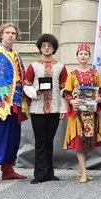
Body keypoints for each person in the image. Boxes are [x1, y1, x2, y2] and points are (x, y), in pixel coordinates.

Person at [0, 23, 31, 188]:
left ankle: (8, 169)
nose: (10, 35)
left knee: (12, 137)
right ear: (1, 34)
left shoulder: (15, 54)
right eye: (7, 32)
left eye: (13, 33)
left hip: (15, 102)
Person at [24, 33, 67, 184]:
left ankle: (49, 172)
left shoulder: (61, 67)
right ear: (40, 48)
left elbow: (64, 90)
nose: (47, 48)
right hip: (38, 109)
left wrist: (63, 108)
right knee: (40, 141)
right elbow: (26, 86)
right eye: (44, 46)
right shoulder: (33, 66)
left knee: (49, 141)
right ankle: (39, 174)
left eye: (49, 46)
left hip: (54, 109)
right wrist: (36, 92)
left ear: (54, 48)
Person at [62, 43, 101, 183]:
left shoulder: (95, 73)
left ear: (89, 56)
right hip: (78, 113)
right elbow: (66, 92)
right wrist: (72, 101)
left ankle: (80, 171)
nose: (83, 56)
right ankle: (84, 172)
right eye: (81, 54)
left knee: (88, 142)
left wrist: (99, 97)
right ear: (77, 56)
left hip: (90, 113)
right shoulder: (72, 74)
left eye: (86, 54)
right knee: (79, 141)